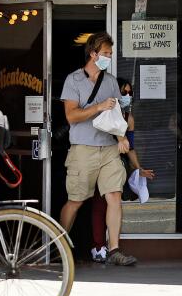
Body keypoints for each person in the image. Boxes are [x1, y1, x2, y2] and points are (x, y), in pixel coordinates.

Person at [58, 33, 137, 266]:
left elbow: (114, 115)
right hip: (83, 149)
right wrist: (98, 106)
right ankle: (59, 245)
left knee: (114, 196)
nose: (109, 58)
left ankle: (114, 250)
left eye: (110, 54)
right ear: (93, 54)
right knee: (76, 200)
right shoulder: (73, 81)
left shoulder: (111, 81)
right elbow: (71, 116)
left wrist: (122, 137)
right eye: (106, 54)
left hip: (109, 148)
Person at [88, 80, 155, 262]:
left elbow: (130, 147)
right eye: (123, 92)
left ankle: (110, 248)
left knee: (112, 201)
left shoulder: (128, 118)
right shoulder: (103, 110)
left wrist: (138, 168)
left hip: (116, 164)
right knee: (99, 204)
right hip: (96, 159)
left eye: (129, 93)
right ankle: (98, 246)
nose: (127, 96)